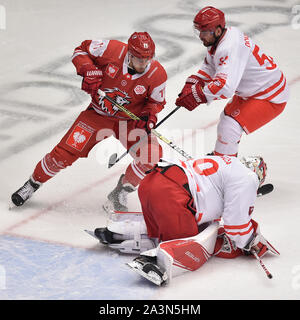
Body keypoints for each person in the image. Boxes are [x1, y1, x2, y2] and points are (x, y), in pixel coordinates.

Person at [11, 32, 167, 211]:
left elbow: (156, 102)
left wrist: (149, 116)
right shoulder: (111, 50)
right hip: (97, 115)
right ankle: (33, 183)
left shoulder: (157, 74)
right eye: (140, 59)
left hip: (129, 122)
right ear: (129, 55)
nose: (145, 63)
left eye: (148, 59)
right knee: (62, 154)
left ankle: (122, 190)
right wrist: (87, 69)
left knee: (151, 155)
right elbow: (81, 50)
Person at [92, 155, 279, 285]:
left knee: (165, 229)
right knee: (192, 244)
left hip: (151, 184)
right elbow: (235, 224)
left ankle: (117, 233)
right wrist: (249, 242)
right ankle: (152, 262)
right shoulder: (248, 178)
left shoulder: (225, 162)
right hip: (171, 193)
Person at [175, 6, 289, 156]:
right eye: (198, 31)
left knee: (230, 126)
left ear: (217, 30)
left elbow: (226, 86)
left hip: (270, 95)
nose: (200, 36)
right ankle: (223, 161)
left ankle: (225, 167)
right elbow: (211, 66)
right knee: (226, 122)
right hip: (256, 90)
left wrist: (198, 96)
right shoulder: (221, 39)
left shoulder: (229, 47)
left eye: (204, 32)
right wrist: (193, 83)